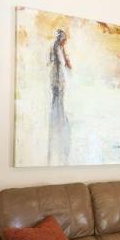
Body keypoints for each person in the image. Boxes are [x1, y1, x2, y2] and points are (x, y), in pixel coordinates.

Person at [48, 28, 72, 165]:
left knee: (57, 96)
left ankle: (58, 113)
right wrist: (67, 63)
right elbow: (62, 62)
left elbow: (66, 62)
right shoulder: (57, 47)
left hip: (56, 76)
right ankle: (58, 115)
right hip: (57, 76)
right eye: (65, 39)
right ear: (62, 39)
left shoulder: (58, 47)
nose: (66, 41)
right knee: (58, 95)